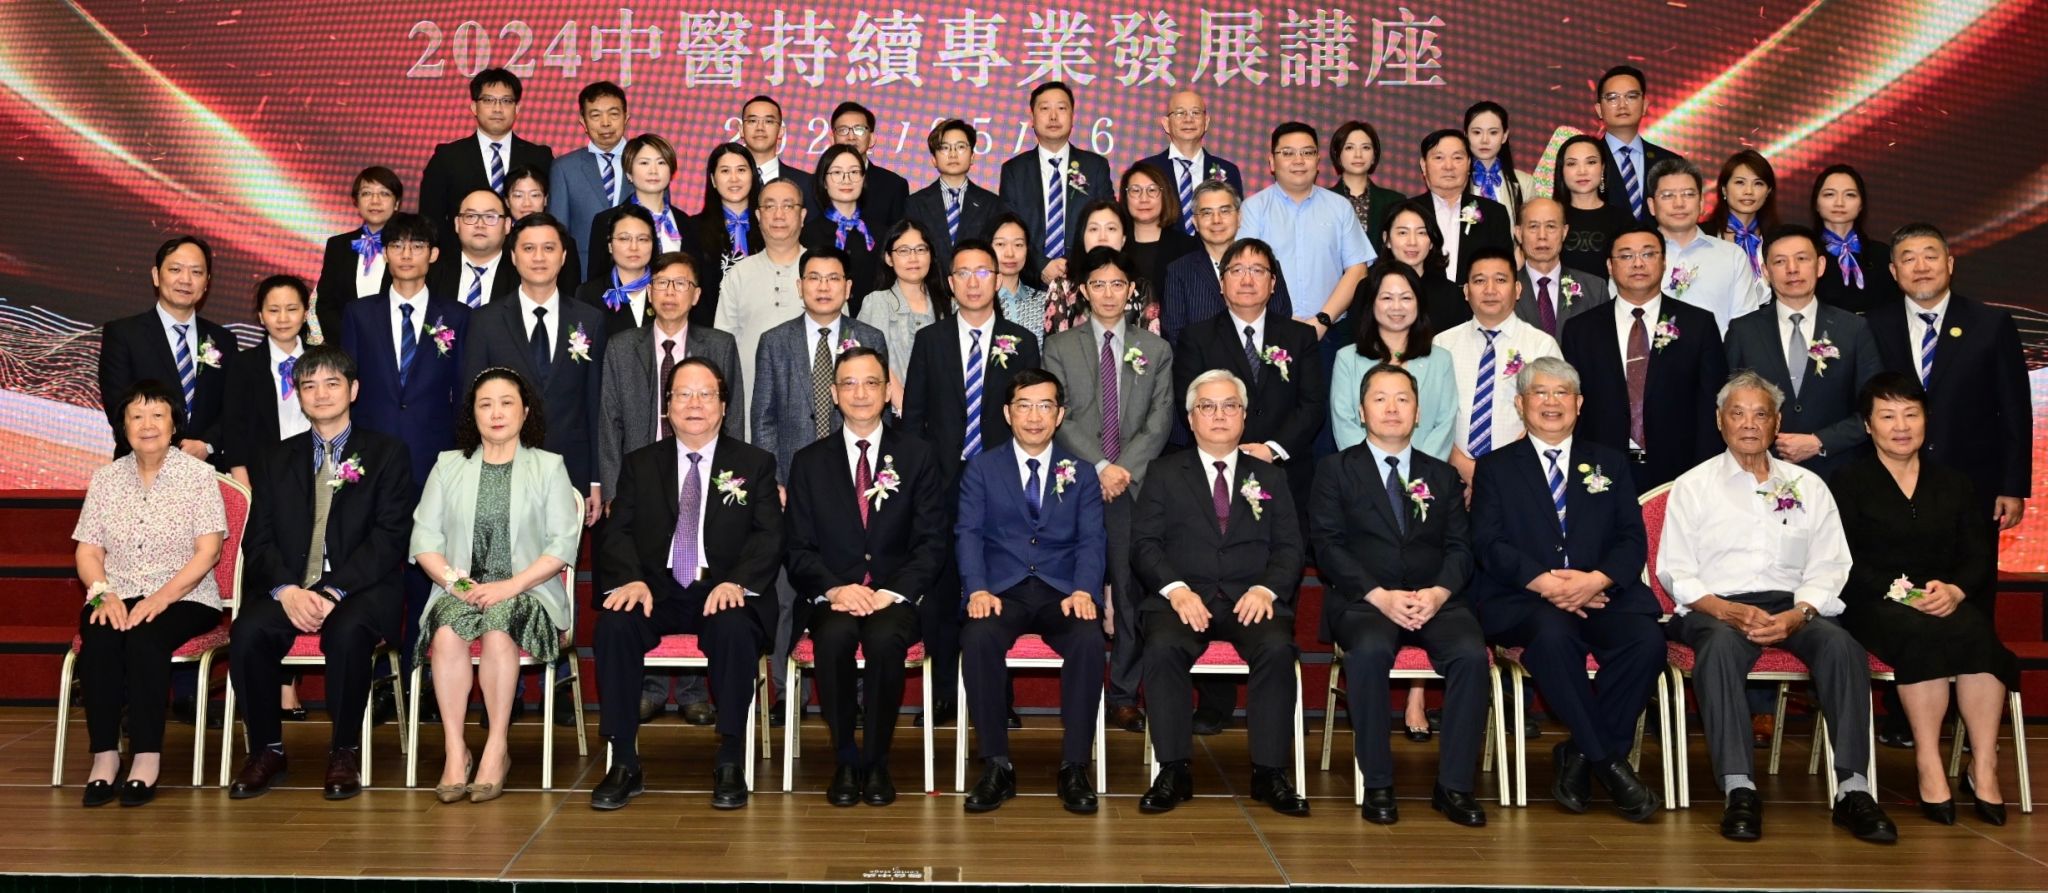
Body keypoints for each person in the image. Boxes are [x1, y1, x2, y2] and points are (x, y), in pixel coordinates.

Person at [1657, 370, 1898, 843]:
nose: (1749, 423)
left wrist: (1799, 613)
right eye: (1738, 413)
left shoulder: (1809, 486)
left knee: (1842, 648)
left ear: (1777, 422)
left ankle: (1853, 789)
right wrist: (1726, 610)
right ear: (1720, 421)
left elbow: (1831, 563)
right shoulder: (1693, 485)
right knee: (1720, 649)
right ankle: (1739, 788)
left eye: (1760, 414)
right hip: (1715, 609)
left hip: (1793, 607)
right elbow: (1676, 572)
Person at [1469, 356, 1662, 820]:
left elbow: (1631, 539)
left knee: (1647, 642)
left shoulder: (1609, 462)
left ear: (1579, 403)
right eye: (1540, 392)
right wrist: (1548, 585)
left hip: (1602, 593)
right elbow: (1488, 543)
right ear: (1520, 404)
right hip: (1527, 599)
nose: (1551, 402)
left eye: (1562, 393)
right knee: (1553, 637)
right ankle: (1609, 763)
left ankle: (1579, 753)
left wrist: (1596, 579)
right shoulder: (1495, 468)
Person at [589, 358, 783, 810]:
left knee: (734, 628)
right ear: (668, 406)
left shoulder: (754, 463)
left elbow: (770, 535)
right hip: (657, 590)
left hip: (722, 589)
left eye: (705, 394)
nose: (694, 404)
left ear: (723, 405)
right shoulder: (640, 464)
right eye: (683, 394)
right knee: (615, 626)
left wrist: (738, 583)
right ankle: (624, 760)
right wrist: (631, 580)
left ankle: (730, 756)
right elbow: (617, 532)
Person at [1831, 373, 2020, 826]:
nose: (1901, 426)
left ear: (1925, 420)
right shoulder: (1848, 481)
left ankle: (1983, 765)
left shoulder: (1954, 482)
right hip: (1875, 602)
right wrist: (1906, 594)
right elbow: (1844, 560)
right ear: (1868, 425)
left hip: (1945, 599)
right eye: (1888, 416)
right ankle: (1929, 762)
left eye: (1911, 415)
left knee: (1978, 635)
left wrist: (1955, 590)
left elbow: (1978, 555)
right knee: (1920, 636)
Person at [227, 346, 414, 800]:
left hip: (360, 587)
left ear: (353, 390)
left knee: (348, 632)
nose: (321, 394)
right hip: (292, 586)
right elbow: (258, 538)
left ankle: (344, 750)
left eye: (332, 383)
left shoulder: (387, 453)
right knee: (248, 631)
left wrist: (334, 590)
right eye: (309, 385)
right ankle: (266, 749)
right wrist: (286, 590)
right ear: (298, 395)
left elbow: (390, 537)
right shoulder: (275, 458)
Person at [1310, 363, 1488, 827]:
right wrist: (1379, 595)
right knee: (1369, 652)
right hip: (1365, 602)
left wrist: (1439, 592)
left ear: (1418, 412)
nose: (1392, 408)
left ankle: (1454, 786)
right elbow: (1328, 546)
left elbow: (1460, 548)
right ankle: (1378, 782)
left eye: (1403, 399)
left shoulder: (1442, 476)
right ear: (1361, 411)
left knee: (1471, 655)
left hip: (1435, 600)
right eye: (1380, 399)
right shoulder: (1334, 470)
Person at [1134, 370, 1307, 815]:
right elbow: (1145, 544)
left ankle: (1269, 772)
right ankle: (1173, 769)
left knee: (1276, 648)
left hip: (1251, 600)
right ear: (1190, 418)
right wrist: (1176, 590)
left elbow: (1290, 547)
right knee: (1163, 647)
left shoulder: (1270, 477)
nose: (1219, 415)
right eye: (1207, 406)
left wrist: (1267, 589)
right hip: (1182, 601)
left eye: (1230, 405)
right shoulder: (1164, 472)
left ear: (1244, 416)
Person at [784, 346, 949, 806]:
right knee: (834, 638)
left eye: (872, 383)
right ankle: (845, 758)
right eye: (850, 384)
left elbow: (932, 541)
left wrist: (893, 591)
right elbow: (796, 547)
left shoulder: (917, 455)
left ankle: (875, 761)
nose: (861, 393)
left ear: (888, 392)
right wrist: (835, 588)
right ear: (834, 393)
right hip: (834, 595)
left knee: (884, 639)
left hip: (894, 598)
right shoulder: (809, 461)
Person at [410, 367, 584, 803]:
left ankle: (496, 747)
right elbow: (424, 541)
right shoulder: (448, 465)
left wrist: (510, 586)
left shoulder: (549, 467)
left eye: (507, 403)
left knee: (498, 626)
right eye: (485, 405)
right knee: (446, 632)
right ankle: (455, 751)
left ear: (525, 412)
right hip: (461, 588)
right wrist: (457, 584)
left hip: (528, 590)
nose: (496, 413)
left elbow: (562, 545)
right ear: (473, 414)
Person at [902, 239, 1044, 721]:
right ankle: (943, 693)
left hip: (1004, 483)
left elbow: (1030, 419)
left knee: (1001, 587)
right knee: (942, 590)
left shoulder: (1021, 341)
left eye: (983, 272)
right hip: (942, 484)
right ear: (950, 283)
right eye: (963, 273)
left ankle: (997, 699)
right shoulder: (931, 340)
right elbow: (914, 419)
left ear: (997, 280)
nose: (973, 282)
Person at [957, 368, 1108, 814]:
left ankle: (1074, 766)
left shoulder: (1082, 473)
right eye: (1024, 406)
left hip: (1062, 590)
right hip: (1001, 590)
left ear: (1060, 415)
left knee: (1088, 639)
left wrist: (1085, 591)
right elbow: (967, 533)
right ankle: (996, 766)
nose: (1034, 416)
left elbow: (1092, 540)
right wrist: (977, 589)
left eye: (1045, 406)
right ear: (1008, 413)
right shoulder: (982, 468)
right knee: (978, 637)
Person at [72, 381, 228, 807]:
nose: (147, 425)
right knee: (100, 639)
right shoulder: (106, 479)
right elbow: (88, 551)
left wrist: (161, 598)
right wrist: (102, 593)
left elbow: (209, 551)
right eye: (136, 416)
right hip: (116, 591)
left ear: (174, 424)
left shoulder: (198, 476)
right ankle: (105, 755)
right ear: (122, 427)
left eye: (158, 415)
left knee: (145, 640)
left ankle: (145, 755)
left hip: (185, 597)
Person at [1868, 223, 2031, 615]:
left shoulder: (1991, 323)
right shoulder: (1872, 325)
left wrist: (2012, 486)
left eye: (1930, 256)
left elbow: (2014, 409)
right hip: (1895, 484)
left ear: (1950, 263)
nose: (1921, 266)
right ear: (1893, 271)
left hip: (1974, 483)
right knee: (1905, 595)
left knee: (1971, 594)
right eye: (1908, 259)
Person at [1043, 247, 1174, 733]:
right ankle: (1079, 692)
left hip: (1131, 487)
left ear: (1131, 290)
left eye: (1117, 284)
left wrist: (1122, 470)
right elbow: (1058, 415)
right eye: (1097, 284)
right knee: (1073, 590)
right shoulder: (1059, 347)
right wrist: (1099, 466)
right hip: (1077, 484)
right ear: (1083, 291)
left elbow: (1160, 419)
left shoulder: (1155, 349)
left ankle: (1122, 694)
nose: (1108, 293)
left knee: (1129, 590)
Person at [460, 213, 607, 529]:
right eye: (529, 248)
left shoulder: (590, 320)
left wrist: (595, 478)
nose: (539, 257)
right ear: (513, 257)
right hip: (501, 466)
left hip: (571, 469)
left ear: (563, 256)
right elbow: (470, 402)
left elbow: (596, 405)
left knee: (560, 558)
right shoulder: (485, 321)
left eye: (548, 248)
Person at [1172, 239, 1326, 537]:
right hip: (1218, 470)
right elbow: (1187, 404)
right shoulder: (1196, 338)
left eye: (1257, 270)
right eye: (1237, 270)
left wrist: (1272, 450)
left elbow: (1312, 405)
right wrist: (1231, 451)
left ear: (1273, 283)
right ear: (1221, 283)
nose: (1247, 279)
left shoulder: (1300, 337)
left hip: (1287, 472)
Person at [1561, 225, 1727, 492]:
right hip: (1600, 470)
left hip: (1680, 471)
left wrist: (1704, 473)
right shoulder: (1580, 330)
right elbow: (1573, 404)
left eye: (1648, 254)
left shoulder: (1698, 324)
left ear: (1664, 262)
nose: (1638, 263)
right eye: (1626, 256)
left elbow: (1712, 405)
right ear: (1610, 266)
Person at [1724, 225, 1881, 480]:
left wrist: (1820, 441)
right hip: (1760, 471)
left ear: (1820, 266)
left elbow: (1875, 409)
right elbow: (1727, 406)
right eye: (1780, 261)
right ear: (1766, 271)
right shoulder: (1744, 331)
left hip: (1839, 473)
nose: (1792, 269)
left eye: (1801, 259)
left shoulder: (1853, 328)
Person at [598, 251, 746, 498]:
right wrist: (613, 494)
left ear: (696, 295)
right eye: (661, 283)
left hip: (704, 471)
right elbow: (609, 425)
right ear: (649, 292)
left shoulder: (720, 346)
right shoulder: (621, 347)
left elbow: (733, 418)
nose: (669, 292)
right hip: (639, 476)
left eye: (680, 284)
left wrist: (728, 485)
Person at [342, 213, 469, 495]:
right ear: (385, 253)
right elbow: (347, 384)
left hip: (435, 454)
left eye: (417, 246)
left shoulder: (457, 316)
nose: (406, 255)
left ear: (433, 254)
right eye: (397, 246)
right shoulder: (359, 314)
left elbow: (462, 389)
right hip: (371, 454)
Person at [749, 246, 890, 480]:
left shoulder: (870, 338)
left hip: (857, 470)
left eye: (833, 278)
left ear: (848, 288)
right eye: (814, 278)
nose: (823, 287)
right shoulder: (774, 342)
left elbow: (882, 414)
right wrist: (773, 481)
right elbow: (763, 419)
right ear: (799, 286)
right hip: (792, 473)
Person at [98, 236, 239, 468]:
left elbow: (234, 406)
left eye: (196, 272)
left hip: (207, 470)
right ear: (156, 275)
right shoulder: (123, 334)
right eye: (175, 269)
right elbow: (119, 407)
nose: (186, 280)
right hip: (141, 467)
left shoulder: (224, 340)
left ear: (207, 282)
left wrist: (206, 445)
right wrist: (168, 449)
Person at [1238, 122, 1374, 345]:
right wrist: (1282, 319)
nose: (1299, 160)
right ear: (1272, 162)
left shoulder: (1340, 207)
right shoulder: (1253, 209)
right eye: (1288, 153)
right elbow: (1244, 271)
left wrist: (1322, 320)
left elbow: (1357, 270)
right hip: (1269, 330)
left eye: (1307, 153)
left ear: (1318, 161)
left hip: (1329, 333)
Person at [1443, 247, 1563, 485]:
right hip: (1451, 478)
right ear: (1466, 291)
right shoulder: (1442, 344)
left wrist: (1499, 473)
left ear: (1517, 289)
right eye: (1479, 281)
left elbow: (1553, 413)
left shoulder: (1542, 346)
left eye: (1500, 280)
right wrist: (1464, 467)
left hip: (1520, 476)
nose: (1490, 290)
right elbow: (1430, 416)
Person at [1332, 261, 1457, 457]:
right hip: (1363, 472)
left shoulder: (1441, 360)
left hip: (1426, 472)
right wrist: (1377, 469)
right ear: (1372, 303)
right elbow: (1344, 424)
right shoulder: (1347, 359)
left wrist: (1418, 470)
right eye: (1387, 298)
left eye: (1406, 298)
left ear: (1419, 303)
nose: (1397, 307)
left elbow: (1445, 424)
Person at [418, 68, 552, 247]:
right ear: (474, 107)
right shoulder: (447, 157)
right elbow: (430, 218)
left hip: (525, 255)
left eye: (506, 101)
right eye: (488, 100)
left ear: (517, 108)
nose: (497, 109)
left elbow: (551, 214)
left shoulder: (540, 157)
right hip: (463, 257)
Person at [999, 81, 1114, 283]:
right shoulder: (1014, 171)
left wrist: (1074, 266)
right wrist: (1042, 265)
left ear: (1072, 117)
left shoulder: (1094, 167)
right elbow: (1008, 227)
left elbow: (1109, 223)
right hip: (1030, 282)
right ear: (1032, 118)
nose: (1053, 116)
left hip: (1085, 280)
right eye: (1045, 109)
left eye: (1061, 108)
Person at [715, 178, 810, 422]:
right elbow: (723, 346)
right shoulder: (738, 273)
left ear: (802, 215)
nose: (778, 215)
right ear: (758, 215)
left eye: (788, 206)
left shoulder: (822, 271)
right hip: (749, 409)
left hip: (811, 410)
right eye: (769, 206)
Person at [1159, 182, 1295, 344]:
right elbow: (1175, 335)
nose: (1216, 220)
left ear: (1239, 217)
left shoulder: (1266, 264)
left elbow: (1282, 323)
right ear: (1195, 222)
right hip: (1202, 360)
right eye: (1207, 213)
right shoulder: (1179, 271)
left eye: (1224, 211)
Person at [223, 275, 312, 490]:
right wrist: (241, 481)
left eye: (292, 309)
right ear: (261, 316)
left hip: (315, 472)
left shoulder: (324, 361)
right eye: (273, 310)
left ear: (305, 314)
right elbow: (234, 425)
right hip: (262, 478)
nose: (283, 318)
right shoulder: (244, 364)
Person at [1649, 159, 1759, 333]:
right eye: (1668, 195)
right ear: (1652, 206)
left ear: (1701, 203)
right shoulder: (1634, 257)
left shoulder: (1732, 256)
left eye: (1688, 194)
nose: (1679, 204)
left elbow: (1746, 328)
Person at [854, 219, 944, 413]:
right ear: (889, 258)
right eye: (903, 251)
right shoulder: (877, 302)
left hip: (941, 414)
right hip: (895, 415)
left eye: (921, 249)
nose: (913, 258)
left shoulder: (949, 305)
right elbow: (874, 360)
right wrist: (910, 411)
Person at [1040, 200, 1161, 337]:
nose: (1102, 237)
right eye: (1094, 229)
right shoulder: (1062, 287)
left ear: (1123, 239)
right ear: (1082, 237)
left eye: (1111, 229)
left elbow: (1152, 346)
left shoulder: (1142, 288)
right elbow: (1055, 346)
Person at [906, 119, 1006, 273]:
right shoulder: (915, 204)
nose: (953, 154)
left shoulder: (991, 204)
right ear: (933, 159)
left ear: (972, 156)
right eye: (944, 148)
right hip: (930, 286)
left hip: (976, 284)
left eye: (960, 147)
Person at [1414, 129, 1513, 284]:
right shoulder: (1407, 212)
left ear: (1468, 164)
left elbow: (1503, 270)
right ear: (1423, 165)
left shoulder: (1494, 214)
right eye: (1439, 157)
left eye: (1457, 158)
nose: (1449, 166)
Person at [1141, 90, 1245, 235]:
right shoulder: (1146, 171)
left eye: (1195, 113)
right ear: (1166, 124)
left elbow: (1235, 225)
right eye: (1180, 113)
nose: (1188, 119)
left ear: (1206, 122)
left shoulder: (1228, 171)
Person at [314, 167, 401, 341]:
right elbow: (326, 304)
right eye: (367, 193)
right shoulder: (338, 245)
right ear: (356, 201)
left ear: (397, 203)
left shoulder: (408, 248)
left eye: (384, 194)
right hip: (345, 348)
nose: (375, 201)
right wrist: (348, 341)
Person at [588, 133, 688, 283]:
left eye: (661, 163)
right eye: (644, 163)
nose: (653, 170)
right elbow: (596, 282)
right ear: (629, 173)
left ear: (671, 171)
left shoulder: (686, 222)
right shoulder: (606, 221)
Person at [685, 143, 765, 328]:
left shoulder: (770, 226)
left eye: (741, 170)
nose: (734, 178)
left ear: (753, 176)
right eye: (725, 171)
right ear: (713, 180)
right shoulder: (693, 228)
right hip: (711, 329)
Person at [800, 144, 888, 306]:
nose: (846, 180)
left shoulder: (881, 233)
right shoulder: (807, 234)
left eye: (854, 172)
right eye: (837, 172)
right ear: (824, 181)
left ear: (863, 179)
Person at [549, 81, 630, 255]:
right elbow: (558, 234)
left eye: (613, 114)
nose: (605, 123)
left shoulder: (648, 162)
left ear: (626, 117)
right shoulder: (564, 169)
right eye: (595, 115)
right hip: (585, 268)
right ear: (583, 122)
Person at [1593, 65, 1683, 221]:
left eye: (1631, 96)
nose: (1622, 105)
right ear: (1599, 109)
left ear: (1645, 105)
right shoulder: (1586, 162)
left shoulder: (1671, 163)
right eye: (1613, 98)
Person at [1514, 198, 1607, 340]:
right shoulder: (1505, 289)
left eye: (1551, 226)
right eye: (1533, 227)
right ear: (1518, 233)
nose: (1542, 236)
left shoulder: (1594, 289)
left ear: (1564, 232)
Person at [1812, 165, 1899, 315]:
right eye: (1829, 194)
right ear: (1816, 203)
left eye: (1850, 195)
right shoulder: (1805, 256)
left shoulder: (1882, 254)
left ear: (1861, 205)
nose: (1839, 203)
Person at [1377, 198, 1468, 329]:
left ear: (1431, 242)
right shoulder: (1368, 288)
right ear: (1387, 239)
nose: (1412, 242)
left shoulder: (1450, 294)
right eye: (1403, 233)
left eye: (1421, 233)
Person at [1553, 135, 1638, 275]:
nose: (1582, 171)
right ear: (1561, 171)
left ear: (1602, 168)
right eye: (1572, 164)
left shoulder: (1623, 219)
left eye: (1591, 162)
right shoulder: (1551, 217)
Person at [575, 203, 657, 336]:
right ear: (610, 246)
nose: (634, 247)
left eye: (642, 239)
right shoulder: (589, 294)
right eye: (624, 239)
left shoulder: (666, 289)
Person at [426, 189, 517, 308]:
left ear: (507, 225)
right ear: (457, 224)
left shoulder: (522, 277)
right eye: (470, 216)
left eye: (490, 217)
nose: (480, 225)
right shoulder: (431, 273)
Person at [1330, 120, 1406, 259]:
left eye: (1365, 147)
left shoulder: (1395, 201)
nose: (1358, 154)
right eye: (1349, 148)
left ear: (1374, 156)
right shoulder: (1323, 200)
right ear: (1338, 155)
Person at [1121, 162, 1201, 293]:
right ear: (1125, 198)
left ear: (1165, 196)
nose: (1144, 199)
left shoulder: (1188, 247)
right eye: (1135, 190)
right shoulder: (1116, 247)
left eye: (1152, 190)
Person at [503, 165, 583, 293]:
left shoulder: (565, 241)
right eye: (518, 196)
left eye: (535, 195)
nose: (527, 203)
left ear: (545, 200)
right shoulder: (499, 241)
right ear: (507, 201)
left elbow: (570, 291)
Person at [829, 101, 910, 228]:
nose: (851, 137)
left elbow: (899, 235)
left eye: (859, 130)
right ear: (832, 139)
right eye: (843, 130)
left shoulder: (894, 186)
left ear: (872, 139)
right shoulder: (816, 183)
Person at [1700, 150, 1778, 277]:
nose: (1749, 191)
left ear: (1768, 192)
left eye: (1758, 184)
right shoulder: (1701, 235)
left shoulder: (1779, 239)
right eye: (1740, 182)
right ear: (1724, 189)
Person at [739, 95, 816, 213]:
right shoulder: (726, 180)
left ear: (781, 131)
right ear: (741, 130)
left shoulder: (806, 183)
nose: (760, 128)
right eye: (752, 121)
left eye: (769, 121)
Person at [1464, 102, 1535, 229]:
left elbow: (1531, 230)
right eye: (1477, 132)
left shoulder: (1524, 183)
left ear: (1504, 136)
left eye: (1493, 132)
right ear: (1466, 135)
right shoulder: (1455, 180)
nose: (1484, 140)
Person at [988, 213, 1050, 345]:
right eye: (1000, 244)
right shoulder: (976, 301)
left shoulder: (1045, 302)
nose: (1010, 253)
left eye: (1018, 245)